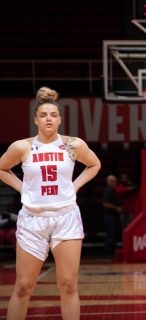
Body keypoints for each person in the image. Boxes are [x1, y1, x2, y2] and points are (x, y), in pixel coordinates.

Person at [0, 87, 101, 319]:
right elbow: (2, 168)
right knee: (23, 286)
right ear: (36, 119)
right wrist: (22, 187)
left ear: (59, 120)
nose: (48, 118)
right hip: (33, 219)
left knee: (68, 285)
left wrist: (74, 186)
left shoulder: (72, 145)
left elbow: (94, 165)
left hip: (65, 217)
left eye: (53, 115)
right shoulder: (22, 147)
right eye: (44, 115)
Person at [103, 174, 123, 259]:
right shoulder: (108, 191)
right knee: (110, 236)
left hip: (114, 216)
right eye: (114, 181)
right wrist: (116, 208)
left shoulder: (113, 190)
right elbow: (105, 203)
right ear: (110, 181)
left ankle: (112, 253)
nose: (115, 182)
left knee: (114, 235)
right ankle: (108, 254)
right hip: (109, 216)